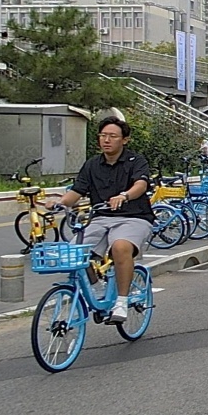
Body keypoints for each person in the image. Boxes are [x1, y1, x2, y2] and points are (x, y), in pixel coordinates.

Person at [61, 118, 153, 324]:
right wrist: (59, 203)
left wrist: (125, 196)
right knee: (73, 253)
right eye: (103, 135)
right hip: (101, 218)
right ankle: (97, 288)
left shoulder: (136, 161)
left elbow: (141, 184)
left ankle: (121, 301)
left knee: (120, 247)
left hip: (134, 217)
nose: (106, 140)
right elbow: (77, 191)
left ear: (125, 140)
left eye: (112, 136)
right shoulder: (92, 164)